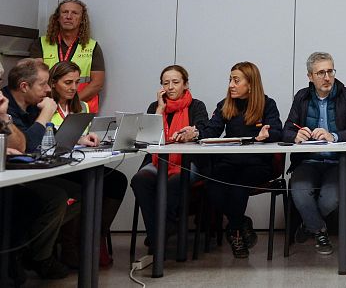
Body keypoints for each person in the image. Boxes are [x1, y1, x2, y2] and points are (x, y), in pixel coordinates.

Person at [2, 59, 80, 280]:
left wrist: (79, 137)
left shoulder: (27, 104)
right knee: (56, 197)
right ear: (25, 86)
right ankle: (39, 256)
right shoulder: (6, 104)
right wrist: (46, 114)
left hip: (26, 173)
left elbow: (41, 137)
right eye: (44, 84)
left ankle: (34, 246)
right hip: (13, 179)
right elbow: (26, 144)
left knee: (80, 192)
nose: (48, 90)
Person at [283, 52, 346, 255]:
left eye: (330, 71)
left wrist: (334, 136)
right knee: (300, 192)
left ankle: (307, 225)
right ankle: (319, 229)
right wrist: (296, 135)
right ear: (310, 76)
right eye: (321, 73)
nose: (327, 77)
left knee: (330, 198)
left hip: (338, 162)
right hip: (308, 161)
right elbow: (286, 130)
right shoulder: (301, 97)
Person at [198, 61, 282, 258]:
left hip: (257, 163)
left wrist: (267, 134)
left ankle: (234, 233)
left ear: (251, 84)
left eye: (236, 80)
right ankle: (242, 222)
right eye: (230, 80)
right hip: (229, 162)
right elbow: (211, 131)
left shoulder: (267, 104)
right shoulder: (225, 105)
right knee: (212, 186)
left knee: (238, 187)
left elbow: (278, 131)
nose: (231, 85)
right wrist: (195, 132)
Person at [48, 61, 127, 268]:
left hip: (80, 163)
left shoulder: (81, 106)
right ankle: (70, 246)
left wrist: (91, 136)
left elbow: (83, 135)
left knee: (117, 181)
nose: (74, 87)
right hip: (57, 167)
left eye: (77, 82)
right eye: (68, 82)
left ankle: (95, 235)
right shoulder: (45, 106)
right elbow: (47, 139)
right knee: (86, 187)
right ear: (53, 83)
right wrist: (77, 140)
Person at [130, 64, 209, 251]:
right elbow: (147, 138)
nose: (170, 87)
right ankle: (159, 232)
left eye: (175, 82)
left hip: (188, 163)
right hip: (158, 161)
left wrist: (193, 133)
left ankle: (161, 233)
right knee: (140, 180)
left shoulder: (196, 106)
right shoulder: (155, 106)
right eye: (166, 83)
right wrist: (159, 110)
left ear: (186, 84)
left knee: (175, 182)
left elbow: (205, 131)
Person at [30, 0, 105, 111]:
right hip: (48, 106)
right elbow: (36, 79)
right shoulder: (40, 44)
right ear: (58, 18)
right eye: (65, 12)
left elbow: (97, 83)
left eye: (74, 13)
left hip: (80, 110)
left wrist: (70, 104)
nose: (69, 16)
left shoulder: (92, 47)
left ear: (82, 20)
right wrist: (55, 103)